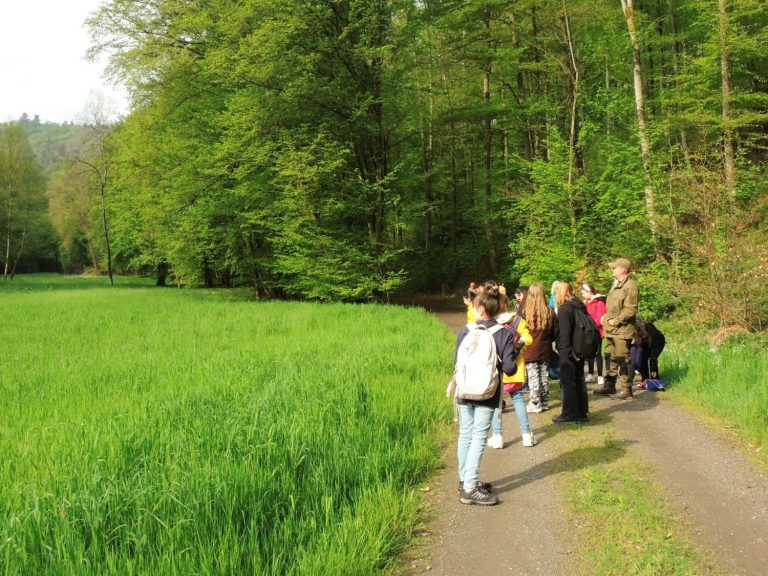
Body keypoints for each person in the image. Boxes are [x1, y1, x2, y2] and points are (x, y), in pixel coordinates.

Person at [454, 283, 518, 505]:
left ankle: (465, 480)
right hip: (488, 394)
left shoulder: (465, 330)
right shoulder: (506, 334)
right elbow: (510, 369)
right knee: (479, 438)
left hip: (464, 391)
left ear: (480, 308)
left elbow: (457, 362)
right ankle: (470, 488)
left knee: (465, 434)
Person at [487, 285, 535, 448]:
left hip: (493, 367)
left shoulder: (489, 322)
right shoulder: (517, 320)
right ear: (507, 304)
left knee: (495, 402)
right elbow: (527, 340)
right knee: (518, 399)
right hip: (514, 366)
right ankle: (526, 435)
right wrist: (516, 351)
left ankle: (498, 436)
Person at [594, 258, 639, 400]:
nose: (612, 270)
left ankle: (627, 389)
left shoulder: (630, 285)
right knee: (609, 356)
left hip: (622, 329)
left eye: (614, 268)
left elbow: (630, 309)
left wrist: (616, 321)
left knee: (622, 358)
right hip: (611, 329)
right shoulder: (616, 284)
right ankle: (610, 385)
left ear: (622, 269)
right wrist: (607, 319)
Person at [553, 282, 590, 423]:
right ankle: (582, 412)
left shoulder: (564, 309)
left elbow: (565, 333)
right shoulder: (579, 305)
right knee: (580, 380)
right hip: (580, 348)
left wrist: (565, 351)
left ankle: (569, 414)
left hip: (569, 350)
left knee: (568, 382)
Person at [521, 283, 558, 415]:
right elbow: (555, 332)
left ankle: (535, 402)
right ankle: (544, 401)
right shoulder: (550, 311)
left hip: (530, 350)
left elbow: (519, 332)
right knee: (544, 375)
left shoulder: (525, 313)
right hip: (545, 348)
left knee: (533, 376)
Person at [581, 283, 607, 385]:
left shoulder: (599, 302)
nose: (582, 295)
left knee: (598, 354)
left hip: (597, 332)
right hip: (588, 332)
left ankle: (600, 376)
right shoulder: (587, 303)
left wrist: (590, 324)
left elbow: (601, 318)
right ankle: (591, 374)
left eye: (583, 293)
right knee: (589, 353)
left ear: (589, 292)